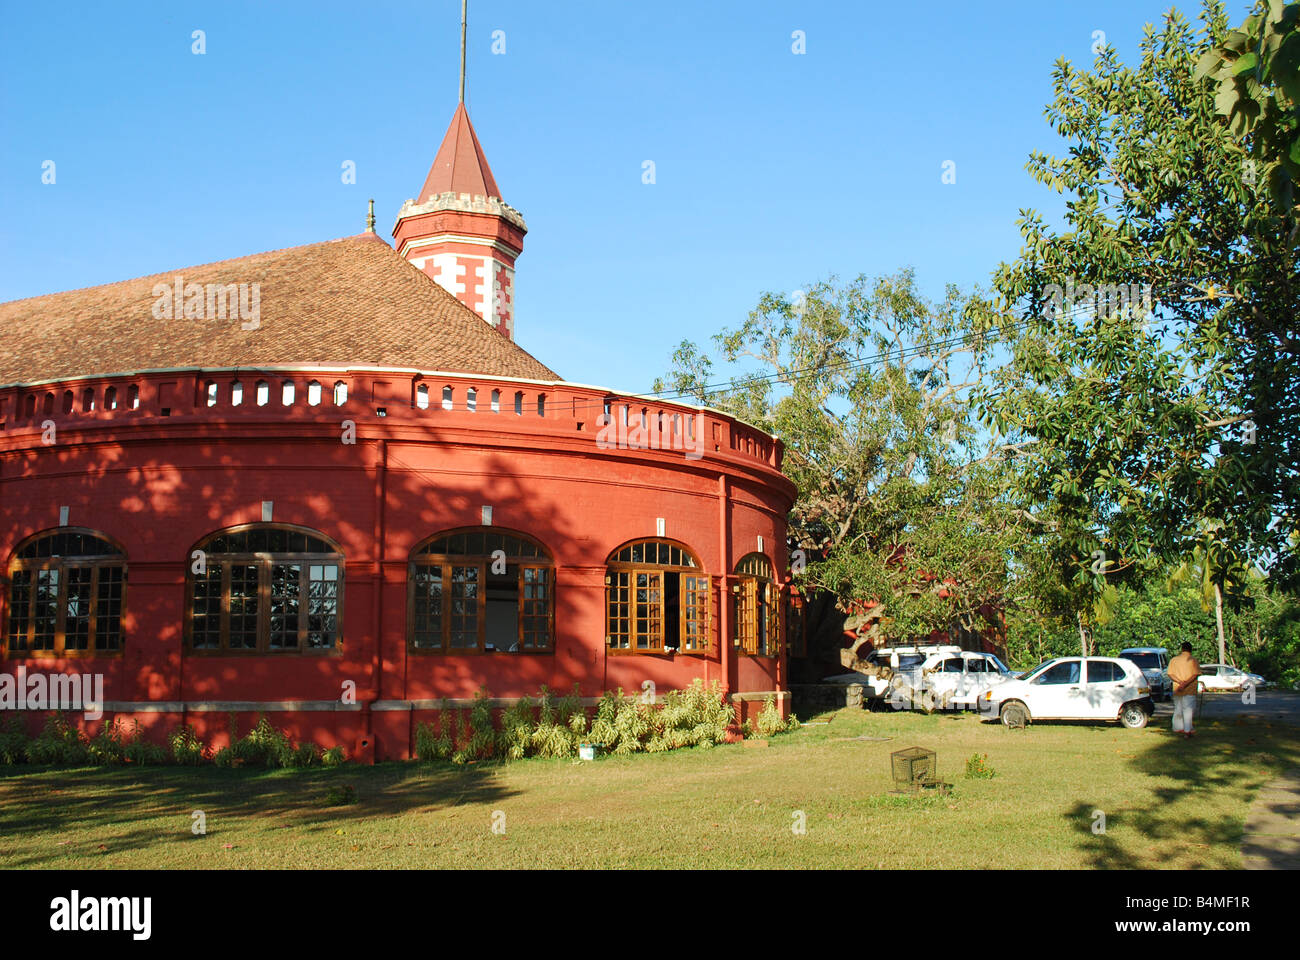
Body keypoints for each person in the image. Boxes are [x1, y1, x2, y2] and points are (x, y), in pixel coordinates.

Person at [1166, 642, 1201, 738]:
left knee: (1178, 708)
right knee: (1188, 709)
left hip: (1178, 688)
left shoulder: (1174, 660)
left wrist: (1180, 682)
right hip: (1189, 689)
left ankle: (1178, 727)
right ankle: (1187, 730)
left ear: (1182, 649)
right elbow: (1195, 674)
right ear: (1191, 649)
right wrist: (1185, 683)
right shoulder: (1193, 660)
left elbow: (1170, 674)